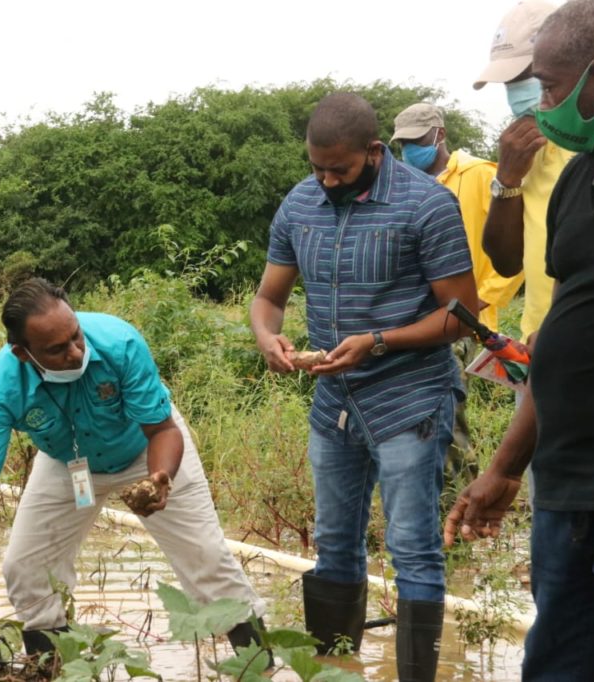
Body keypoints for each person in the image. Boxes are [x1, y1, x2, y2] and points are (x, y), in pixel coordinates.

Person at [445, 1, 594, 679]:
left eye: (548, 85)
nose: (539, 103)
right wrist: (507, 466)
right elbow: (562, 338)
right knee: (559, 666)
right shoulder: (581, 173)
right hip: (569, 490)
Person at [250, 92, 477, 682]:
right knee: (332, 541)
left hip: (410, 399)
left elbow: (461, 316)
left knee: (412, 547)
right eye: (317, 168)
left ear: (374, 152)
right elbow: (269, 297)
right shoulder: (300, 204)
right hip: (335, 404)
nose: (327, 180)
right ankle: (334, 669)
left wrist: (377, 342)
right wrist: (267, 337)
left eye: (341, 169)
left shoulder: (427, 204)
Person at [0, 278, 266, 659]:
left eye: (76, 336)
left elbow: (163, 429)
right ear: (23, 353)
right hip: (66, 463)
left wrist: (160, 478)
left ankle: (259, 665)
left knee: (206, 558)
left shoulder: (120, 343)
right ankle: (53, 667)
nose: (74, 352)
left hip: (147, 450)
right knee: (25, 569)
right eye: (56, 349)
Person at [392, 103, 525, 483]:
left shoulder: (481, 175)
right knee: (417, 418)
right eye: (404, 143)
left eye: (418, 141)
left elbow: (519, 249)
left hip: (461, 321)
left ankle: (458, 508)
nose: (411, 150)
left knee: (447, 418)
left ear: (439, 135)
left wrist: (484, 297)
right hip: (413, 320)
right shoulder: (404, 184)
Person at [474, 0, 575, 343]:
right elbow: (506, 263)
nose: (517, 94)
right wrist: (507, 179)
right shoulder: (525, 148)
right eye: (508, 82)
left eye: (525, 77)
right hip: (538, 346)